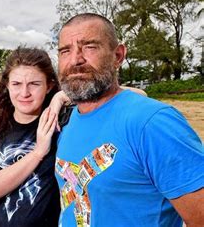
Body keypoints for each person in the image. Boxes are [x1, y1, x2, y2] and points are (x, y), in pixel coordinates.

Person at [55, 13, 203, 226]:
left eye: (90, 46)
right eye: (65, 50)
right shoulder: (68, 123)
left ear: (118, 56)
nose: (76, 59)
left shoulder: (152, 123)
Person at [0, 47, 65, 226]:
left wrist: (60, 97)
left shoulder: (61, 120)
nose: (24, 93)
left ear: (49, 86)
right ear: (7, 85)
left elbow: (122, 93)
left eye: (34, 84)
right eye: (16, 84)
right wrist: (38, 153)